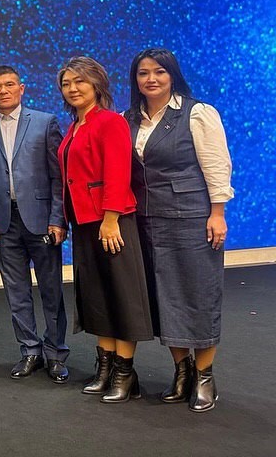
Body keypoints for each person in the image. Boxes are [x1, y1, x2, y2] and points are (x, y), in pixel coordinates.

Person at [125, 48, 233, 412]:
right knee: (164, 298)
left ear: (173, 75)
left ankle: (205, 377)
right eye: (143, 73)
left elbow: (216, 164)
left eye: (159, 71)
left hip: (191, 218)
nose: (151, 79)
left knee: (197, 295)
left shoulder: (197, 113)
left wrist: (217, 213)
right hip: (146, 220)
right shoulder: (129, 119)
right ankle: (182, 371)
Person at [57, 56, 152, 403]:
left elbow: (117, 172)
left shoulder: (111, 121)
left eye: (79, 81)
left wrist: (111, 219)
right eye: (66, 83)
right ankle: (106, 368)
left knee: (121, 297)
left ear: (97, 83)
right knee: (98, 298)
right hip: (84, 223)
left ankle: (125, 374)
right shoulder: (75, 126)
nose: (72, 88)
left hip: (111, 222)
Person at [0, 65, 69, 383]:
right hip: (3, 221)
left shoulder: (44, 122)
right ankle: (30, 351)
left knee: (51, 289)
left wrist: (58, 219)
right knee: (16, 291)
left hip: (42, 220)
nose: (4, 90)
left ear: (21, 88)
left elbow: (58, 177)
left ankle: (56, 353)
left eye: (9, 84)